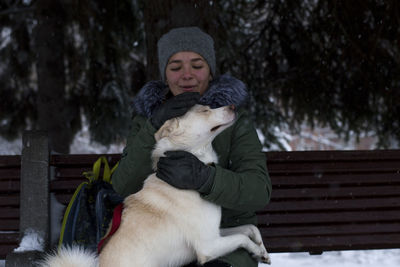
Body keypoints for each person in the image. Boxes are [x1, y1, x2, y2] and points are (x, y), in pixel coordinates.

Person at [112, 26, 272, 267]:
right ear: (165, 75)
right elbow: (123, 187)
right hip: (165, 245)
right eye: (176, 67)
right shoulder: (147, 121)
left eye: (197, 66)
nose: (187, 75)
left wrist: (206, 179)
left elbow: (258, 190)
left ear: (210, 72)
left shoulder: (233, 120)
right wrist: (153, 127)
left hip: (222, 242)